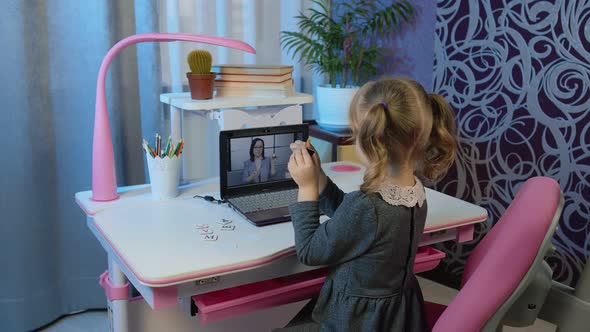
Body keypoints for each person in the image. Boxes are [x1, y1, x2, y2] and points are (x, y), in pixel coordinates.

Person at [280, 77, 457, 331]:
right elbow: (356, 225)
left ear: (371, 141)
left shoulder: (368, 206)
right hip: (393, 318)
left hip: (353, 321)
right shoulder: (413, 192)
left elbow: (309, 251)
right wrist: (319, 178)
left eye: (355, 133)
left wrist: (306, 187)